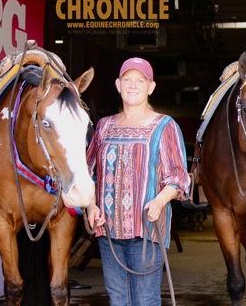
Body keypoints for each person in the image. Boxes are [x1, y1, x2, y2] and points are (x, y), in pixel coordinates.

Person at [85, 57, 190, 306]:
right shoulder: (103, 127)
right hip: (108, 229)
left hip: (147, 230)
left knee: (145, 299)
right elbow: (88, 173)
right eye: (127, 80)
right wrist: (91, 206)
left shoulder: (164, 126)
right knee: (118, 299)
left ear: (150, 87)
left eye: (140, 81)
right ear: (118, 85)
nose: (133, 86)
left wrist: (159, 201)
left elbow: (177, 178)